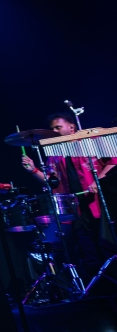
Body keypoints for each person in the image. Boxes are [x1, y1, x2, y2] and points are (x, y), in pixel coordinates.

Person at [21, 113, 115, 274]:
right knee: (90, 255)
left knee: (109, 246)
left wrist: (98, 181)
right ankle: (100, 286)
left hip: (101, 204)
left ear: (72, 127)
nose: (54, 131)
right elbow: (52, 182)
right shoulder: (55, 154)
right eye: (52, 129)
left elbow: (114, 161)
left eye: (58, 127)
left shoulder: (90, 141)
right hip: (77, 210)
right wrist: (33, 170)